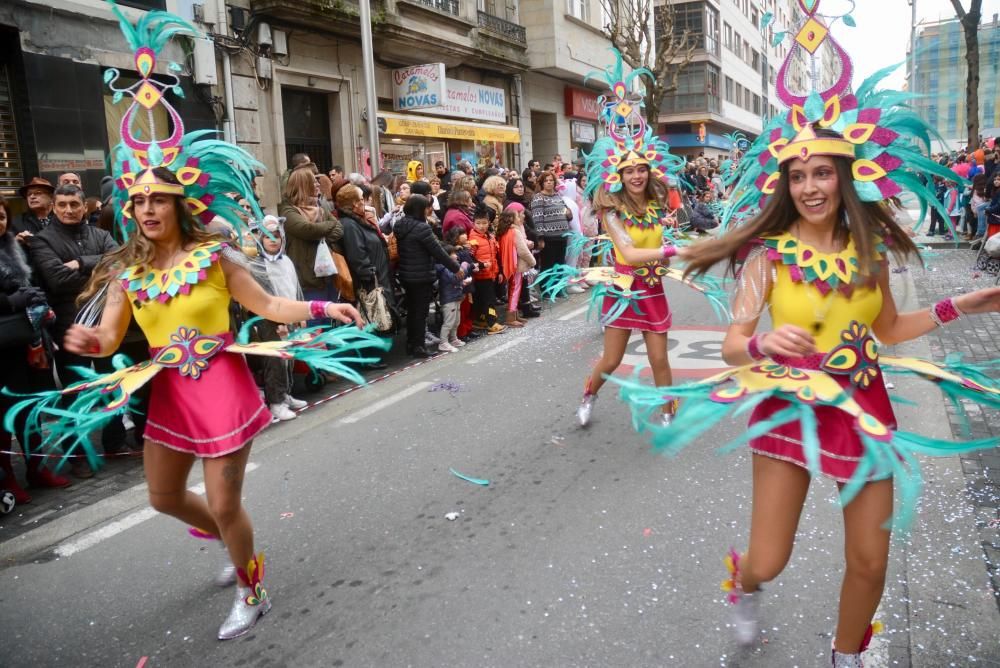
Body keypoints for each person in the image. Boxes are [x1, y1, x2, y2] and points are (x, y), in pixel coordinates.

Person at [29, 183, 129, 473]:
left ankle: (115, 443)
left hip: (108, 323)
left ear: (84, 206)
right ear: (54, 207)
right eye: (62, 205)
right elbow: (58, 279)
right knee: (76, 392)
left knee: (113, 385)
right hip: (70, 328)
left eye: (74, 204)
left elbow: (121, 263)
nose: (69, 210)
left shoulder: (101, 234)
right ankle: (77, 456)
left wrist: (80, 263)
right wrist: (99, 274)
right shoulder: (42, 240)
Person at [0, 194, 70, 503]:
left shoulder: (14, 247)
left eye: (2, 216)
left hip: (29, 341)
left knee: (32, 409)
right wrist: (11, 302)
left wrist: (35, 300)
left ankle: (36, 469)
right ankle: (7, 479)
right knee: (4, 415)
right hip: (2, 349)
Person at [247, 215, 308, 422]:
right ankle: (276, 402)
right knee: (275, 360)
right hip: (269, 319)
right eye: (266, 237)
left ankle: (286, 393)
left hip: (289, 315)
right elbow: (265, 297)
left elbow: (295, 287)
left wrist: (301, 313)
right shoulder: (258, 265)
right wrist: (278, 322)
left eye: (275, 236)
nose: (272, 240)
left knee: (289, 357)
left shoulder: (286, 260)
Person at [393, 194, 463, 357]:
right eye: (426, 207)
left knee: (412, 311)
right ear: (420, 209)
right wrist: (455, 267)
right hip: (421, 275)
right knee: (420, 312)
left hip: (406, 274)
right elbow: (437, 250)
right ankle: (419, 346)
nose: (429, 210)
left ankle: (412, 344)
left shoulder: (400, 225)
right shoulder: (421, 228)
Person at [279, 169, 344, 319]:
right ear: (303, 185)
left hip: (329, 276)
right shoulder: (288, 211)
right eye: (313, 181)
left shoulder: (320, 209)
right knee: (316, 329)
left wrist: (321, 235)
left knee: (332, 324)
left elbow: (339, 228)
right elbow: (307, 229)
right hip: (308, 279)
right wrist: (326, 228)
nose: (317, 184)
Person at [336, 184, 397, 328]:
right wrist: (370, 275)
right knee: (372, 321)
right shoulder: (350, 225)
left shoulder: (358, 221)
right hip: (369, 284)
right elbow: (357, 255)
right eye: (361, 199)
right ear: (354, 203)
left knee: (378, 321)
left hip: (378, 279)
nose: (364, 201)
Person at [467, 204, 506, 334]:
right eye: (478, 223)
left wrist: (499, 271)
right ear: (473, 223)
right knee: (489, 300)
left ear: (489, 223)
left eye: (484, 223)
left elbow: (495, 255)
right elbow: (470, 257)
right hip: (481, 275)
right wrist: (481, 265)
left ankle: (480, 319)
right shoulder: (472, 238)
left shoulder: (490, 236)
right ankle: (491, 322)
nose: (482, 226)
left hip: (491, 274)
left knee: (484, 299)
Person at [496, 204, 535, 327]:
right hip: (517, 265)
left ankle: (515, 314)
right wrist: (532, 261)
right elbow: (522, 250)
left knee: (513, 289)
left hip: (509, 264)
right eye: (517, 216)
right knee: (515, 290)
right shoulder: (515, 231)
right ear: (512, 219)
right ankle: (511, 316)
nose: (520, 218)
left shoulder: (504, 231)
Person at [530, 171, 571, 273]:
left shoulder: (557, 195)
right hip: (549, 239)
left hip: (562, 237)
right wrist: (540, 238)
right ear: (542, 183)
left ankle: (557, 288)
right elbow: (537, 219)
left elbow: (566, 213)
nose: (549, 182)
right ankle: (547, 289)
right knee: (548, 267)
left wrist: (569, 214)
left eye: (551, 180)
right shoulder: (538, 197)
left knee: (560, 265)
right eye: (546, 181)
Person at [436, 246, 468, 352]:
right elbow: (454, 279)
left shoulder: (453, 266)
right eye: (452, 253)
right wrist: (464, 268)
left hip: (456, 296)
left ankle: (453, 339)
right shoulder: (445, 268)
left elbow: (457, 280)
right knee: (449, 322)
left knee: (456, 321)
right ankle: (443, 342)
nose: (455, 255)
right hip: (449, 298)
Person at [11, 177, 55, 247]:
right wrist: (15, 242)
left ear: (51, 197)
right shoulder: (16, 222)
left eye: (38, 193)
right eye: (29, 194)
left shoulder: (62, 218)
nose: (32, 197)